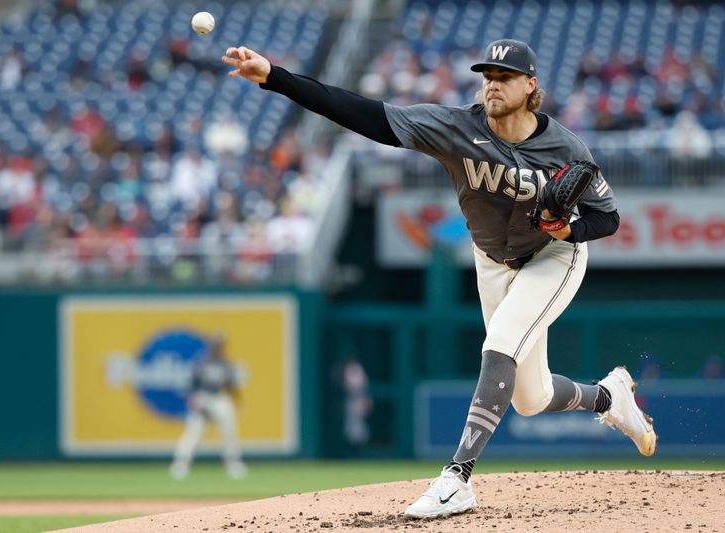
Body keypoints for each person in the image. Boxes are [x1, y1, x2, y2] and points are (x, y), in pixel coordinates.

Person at [221, 39, 657, 518]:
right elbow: (366, 115)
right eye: (487, 76)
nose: (491, 85)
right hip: (491, 259)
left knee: (500, 346)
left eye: (504, 77)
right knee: (531, 399)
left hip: (555, 256)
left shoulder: (566, 147)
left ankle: (457, 478)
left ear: (530, 85)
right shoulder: (456, 127)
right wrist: (274, 77)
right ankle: (608, 397)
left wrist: (569, 228)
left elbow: (607, 218)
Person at [170, 334, 248, 480]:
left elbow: (231, 385)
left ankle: (233, 463)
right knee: (193, 432)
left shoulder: (225, 363)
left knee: (229, 429)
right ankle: (180, 464)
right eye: (216, 344)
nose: (218, 347)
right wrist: (193, 399)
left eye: (220, 345)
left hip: (218, 397)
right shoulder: (202, 362)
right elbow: (192, 384)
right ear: (211, 346)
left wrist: (237, 400)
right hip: (202, 397)